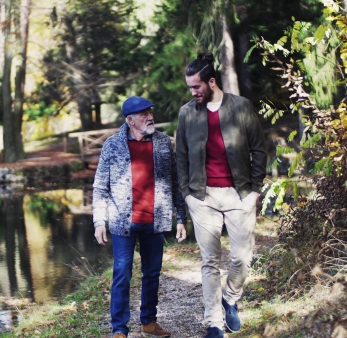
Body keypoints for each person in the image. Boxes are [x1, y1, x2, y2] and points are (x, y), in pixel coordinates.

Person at [175, 53, 267, 338]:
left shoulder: (241, 107)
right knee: (209, 261)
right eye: (190, 87)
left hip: (239, 194)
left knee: (242, 258)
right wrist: (187, 194)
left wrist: (254, 191)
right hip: (202, 197)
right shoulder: (187, 113)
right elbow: (181, 156)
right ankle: (214, 322)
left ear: (211, 81)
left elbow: (259, 151)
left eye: (196, 87)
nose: (193, 93)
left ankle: (230, 298)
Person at [92, 96, 188, 338]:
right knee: (122, 272)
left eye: (150, 112)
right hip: (123, 222)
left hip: (155, 220)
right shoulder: (113, 145)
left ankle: (148, 322)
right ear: (130, 119)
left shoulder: (164, 142)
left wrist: (181, 218)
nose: (150, 117)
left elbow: (175, 183)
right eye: (144, 114)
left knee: (152, 273)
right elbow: (100, 186)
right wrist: (98, 222)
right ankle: (119, 329)